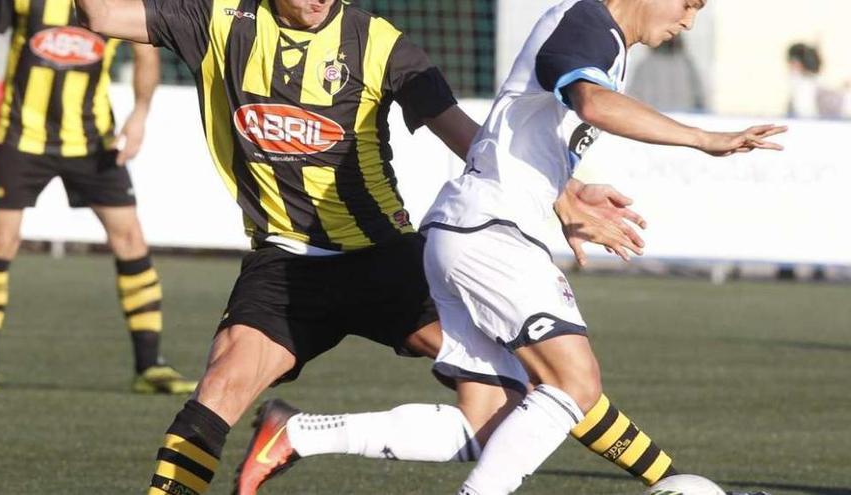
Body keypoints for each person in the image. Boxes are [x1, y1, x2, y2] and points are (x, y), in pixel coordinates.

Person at [73, 0, 666, 493]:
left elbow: (461, 129)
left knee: (535, 380)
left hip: (386, 259)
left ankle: (664, 479)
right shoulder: (220, 21)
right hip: (286, 265)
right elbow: (98, 13)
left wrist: (563, 194)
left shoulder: (378, 42)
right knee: (220, 387)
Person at [246, 0, 786, 494]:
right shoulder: (589, 22)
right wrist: (704, 139)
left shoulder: (602, 42)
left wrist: (564, 201)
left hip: (470, 232)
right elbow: (593, 104)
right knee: (575, 383)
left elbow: (523, 134)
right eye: (688, 3)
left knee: (487, 421)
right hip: (489, 235)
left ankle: (298, 434)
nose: (688, 20)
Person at [0, 0, 197, 395]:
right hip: (21, 136)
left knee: (130, 239)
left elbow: (145, 52)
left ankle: (150, 366)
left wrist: (141, 113)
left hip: (94, 140)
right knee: (0, 241)